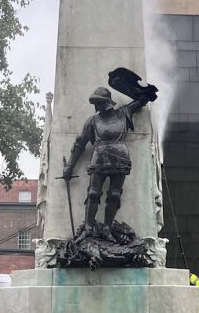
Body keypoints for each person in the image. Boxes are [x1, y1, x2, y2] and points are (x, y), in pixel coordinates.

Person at [63, 87, 148, 228]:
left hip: (120, 158)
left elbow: (141, 101)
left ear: (106, 102)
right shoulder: (92, 121)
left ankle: (108, 228)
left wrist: (142, 91)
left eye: (98, 102)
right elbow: (80, 143)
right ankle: (88, 227)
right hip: (99, 158)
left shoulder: (123, 113)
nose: (96, 106)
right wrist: (70, 166)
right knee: (93, 193)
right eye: (95, 103)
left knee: (114, 195)